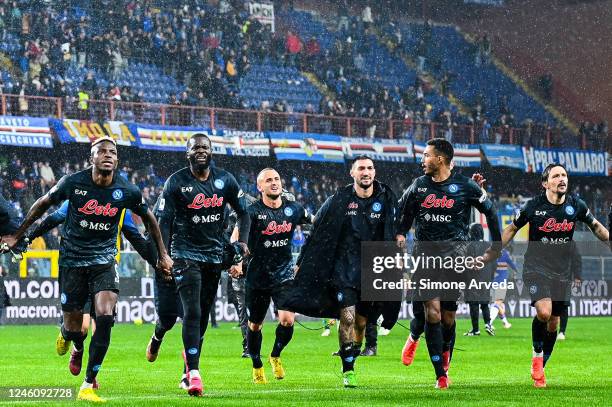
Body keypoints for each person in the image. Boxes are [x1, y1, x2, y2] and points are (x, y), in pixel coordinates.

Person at [0, 137, 172, 402]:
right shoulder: (74, 185)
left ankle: (89, 383)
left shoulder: (126, 193)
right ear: (90, 158)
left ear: (117, 159)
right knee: (75, 328)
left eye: (112, 152)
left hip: (103, 262)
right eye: (101, 151)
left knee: (104, 316)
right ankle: (74, 343)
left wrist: (160, 259)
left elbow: (141, 233)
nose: (107, 155)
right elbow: (49, 215)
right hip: (72, 262)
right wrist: (23, 237)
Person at [396, 138, 501, 389]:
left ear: (440, 159)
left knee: (448, 318)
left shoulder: (466, 186)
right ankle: (440, 375)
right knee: (430, 313)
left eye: (426, 155)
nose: (422, 160)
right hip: (425, 259)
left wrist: (495, 247)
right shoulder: (418, 186)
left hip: (456, 261)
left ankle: (440, 355)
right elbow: (403, 211)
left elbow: (491, 212)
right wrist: (400, 233)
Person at [288, 155, 400, 388]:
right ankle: (348, 370)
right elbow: (317, 227)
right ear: (352, 173)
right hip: (344, 268)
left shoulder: (387, 197)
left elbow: (397, 228)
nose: (366, 172)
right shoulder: (339, 198)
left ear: (374, 172)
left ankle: (352, 353)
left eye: (370, 168)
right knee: (347, 317)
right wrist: (301, 261)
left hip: (373, 268)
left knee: (361, 323)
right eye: (361, 168)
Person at [155, 133, 250, 397]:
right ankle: (195, 373)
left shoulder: (225, 180)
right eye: (195, 147)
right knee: (192, 311)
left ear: (211, 152)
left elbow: (244, 212)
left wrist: (242, 242)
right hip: (184, 253)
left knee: (203, 315)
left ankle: (187, 372)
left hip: (214, 255)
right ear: (187, 153)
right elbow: (163, 222)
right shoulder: (175, 183)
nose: (200, 151)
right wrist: (164, 255)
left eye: (205, 147)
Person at [26, 199, 158, 382]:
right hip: (78, 268)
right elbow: (53, 219)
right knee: (82, 329)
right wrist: (26, 237)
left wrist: (158, 263)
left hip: (106, 270)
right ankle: (75, 344)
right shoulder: (77, 198)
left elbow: (135, 238)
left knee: (101, 326)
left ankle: (91, 377)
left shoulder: (120, 207)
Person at [501, 163, 609, 388]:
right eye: (556, 175)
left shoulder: (576, 205)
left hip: (562, 272)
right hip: (535, 268)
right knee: (544, 312)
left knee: (554, 324)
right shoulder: (533, 206)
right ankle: (537, 356)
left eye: (564, 175)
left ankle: (541, 366)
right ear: (545, 183)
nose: (562, 179)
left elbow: (596, 227)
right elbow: (511, 228)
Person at [235, 168, 313, 384]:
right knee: (255, 326)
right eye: (268, 180)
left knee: (288, 321)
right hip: (258, 278)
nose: (274, 183)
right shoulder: (251, 212)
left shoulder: (294, 209)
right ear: (259, 187)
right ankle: (257, 365)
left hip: (284, 275)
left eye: (277, 179)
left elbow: (316, 221)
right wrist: (237, 260)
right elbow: (237, 234)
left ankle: (275, 355)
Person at [464, 223, 495, 337]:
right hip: (485, 278)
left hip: (473, 278)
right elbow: (494, 263)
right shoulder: (488, 245)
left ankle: (475, 330)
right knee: (484, 303)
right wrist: (490, 277)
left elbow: (466, 262)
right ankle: (488, 324)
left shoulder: (470, 245)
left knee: (474, 304)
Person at [490, 247, 518, 329]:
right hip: (501, 282)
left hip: (493, 281)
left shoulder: (491, 253)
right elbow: (513, 266)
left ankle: (505, 323)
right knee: (498, 303)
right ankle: (489, 323)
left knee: (499, 304)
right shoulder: (505, 253)